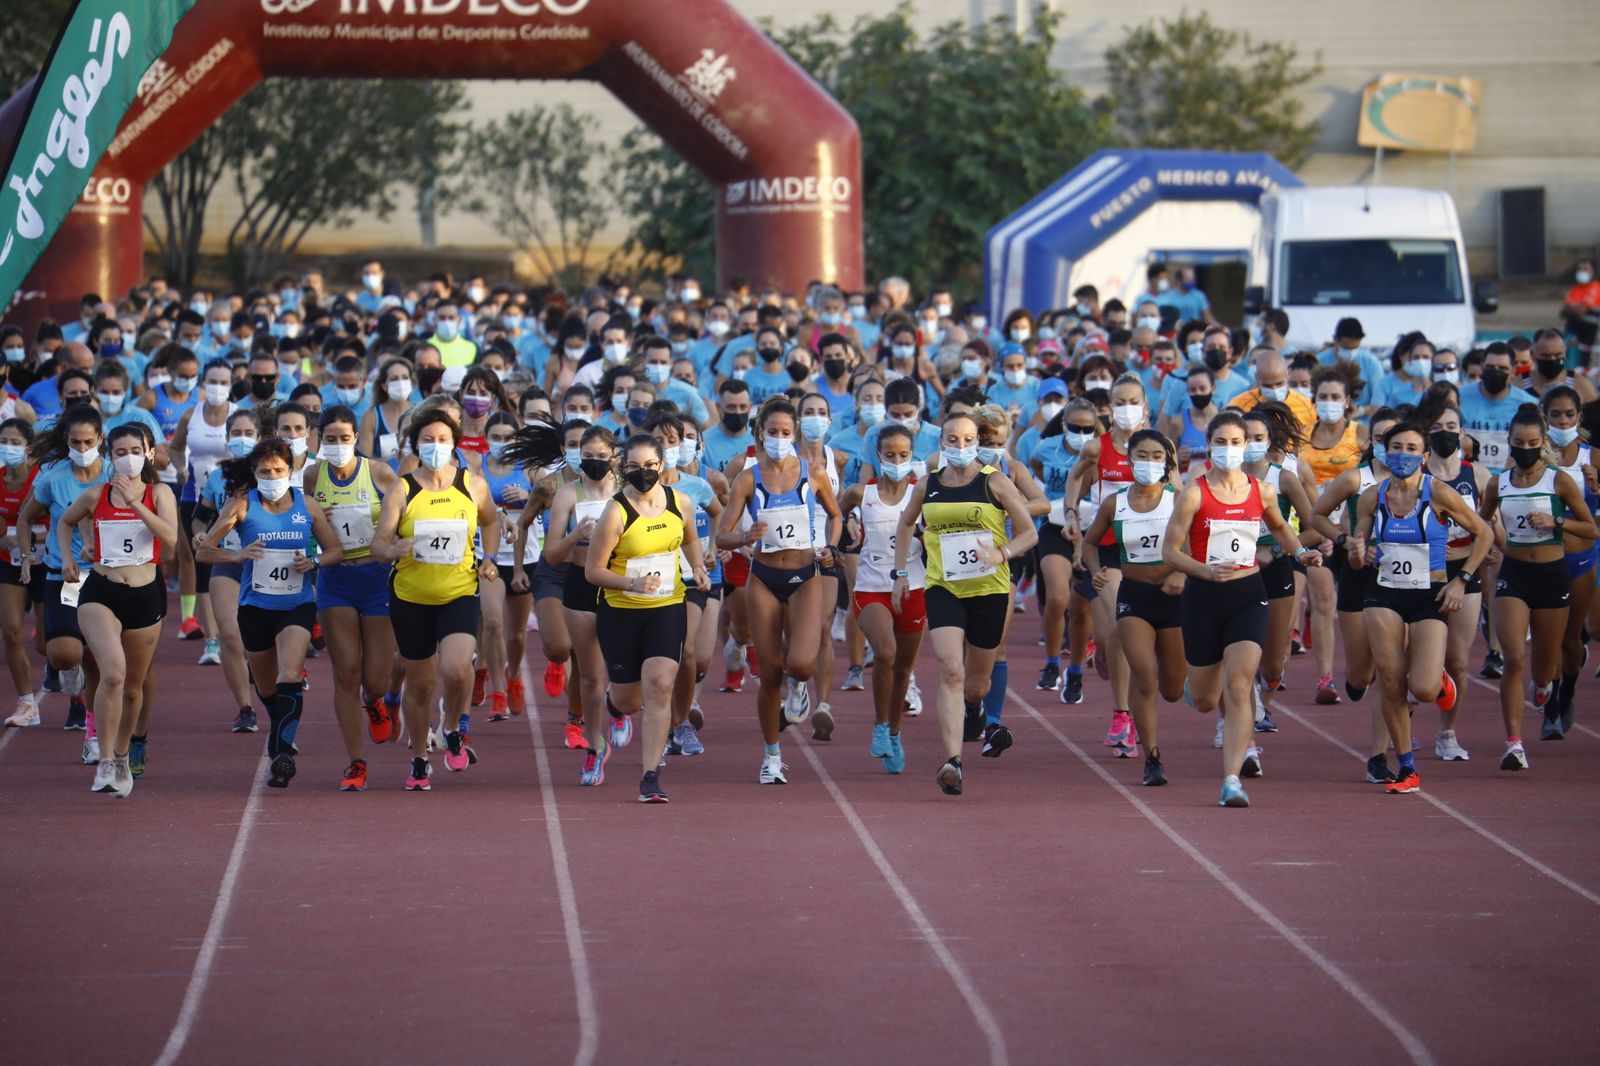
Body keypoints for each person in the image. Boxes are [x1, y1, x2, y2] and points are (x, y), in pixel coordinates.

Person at [1162, 410, 1323, 808]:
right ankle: (1199, 683)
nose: (1230, 449)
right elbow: (1170, 551)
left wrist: (1299, 552)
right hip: (1203, 597)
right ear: (1209, 446)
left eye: (1237, 442)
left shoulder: (1262, 491)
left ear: (1248, 445)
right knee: (1205, 699)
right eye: (1222, 442)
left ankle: (1232, 778)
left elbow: (1280, 526)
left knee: (1239, 684)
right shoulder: (1194, 493)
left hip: (1249, 594)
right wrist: (1204, 570)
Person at [891, 411, 1037, 795]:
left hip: (989, 590)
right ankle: (953, 761)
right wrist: (901, 573)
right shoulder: (928, 484)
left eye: (968, 440)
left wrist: (1002, 554)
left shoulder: (996, 481)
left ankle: (975, 708)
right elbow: (905, 523)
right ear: (941, 443)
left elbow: (1029, 533)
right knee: (951, 670)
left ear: (977, 443)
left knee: (975, 685)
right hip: (944, 587)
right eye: (952, 440)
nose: (960, 446)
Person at [1347, 421, 1491, 793]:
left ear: (1424, 456)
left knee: (1424, 689)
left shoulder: (1438, 492)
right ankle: (1407, 768)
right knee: (1390, 681)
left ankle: (1436, 678)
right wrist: (1358, 552)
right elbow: (1357, 558)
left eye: (1412, 449)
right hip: (1384, 594)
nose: (1403, 455)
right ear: (1384, 451)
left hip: (1430, 594)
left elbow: (1484, 533)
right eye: (1396, 447)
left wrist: (1462, 579)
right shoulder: (1372, 497)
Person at [199, 436, 344, 788]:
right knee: (266, 687)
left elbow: (335, 550)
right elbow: (204, 551)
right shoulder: (241, 505)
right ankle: (280, 728)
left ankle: (281, 754)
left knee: (289, 675)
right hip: (255, 607)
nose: (272, 477)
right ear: (254, 472)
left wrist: (313, 561)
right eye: (264, 471)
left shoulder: (308, 506)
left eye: (279, 470)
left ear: (290, 470)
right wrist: (238, 555)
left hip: (297, 604)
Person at [371, 406, 502, 790]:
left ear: (454, 443)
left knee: (457, 669)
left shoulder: (472, 485)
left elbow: (490, 520)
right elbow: (378, 544)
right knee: (422, 684)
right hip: (411, 598)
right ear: (416, 445)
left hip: (459, 591)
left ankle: (452, 726)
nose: (435, 445)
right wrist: (393, 549)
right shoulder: (402, 489)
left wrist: (490, 558)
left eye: (443, 439)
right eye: (427, 440)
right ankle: (418, 759)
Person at [715, 396, 843, 785]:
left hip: (805, 575)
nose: (780, 438)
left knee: (801, 664)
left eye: (786, 432)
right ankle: (772, 755)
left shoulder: (814, 473)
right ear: (760, 433)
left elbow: (836, 515)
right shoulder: (747, 479)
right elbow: (722, 534)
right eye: (773, 432)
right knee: (770, 673)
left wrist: (830, 547)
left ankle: (800, 688)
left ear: (795, 433)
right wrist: (744, 537)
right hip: (764, 579)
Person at [583, 433, 713, 803]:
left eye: (650, 465)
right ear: (623, 468)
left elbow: (690, 539)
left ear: (661, 465)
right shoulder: (615, 512)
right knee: (629, 701)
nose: (644, 472)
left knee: (659, 684)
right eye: (634, 467)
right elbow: (593, 571)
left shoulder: (680, 502)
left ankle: (650, 775)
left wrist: (698, 566)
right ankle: (614, 705)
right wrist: (632, 583)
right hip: (621, 612)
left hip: (667, 607)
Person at [54, 424, 178, 796]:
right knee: (113, 673)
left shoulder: (160, 493)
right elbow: (65, 521)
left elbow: (170, 538)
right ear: (110, 456)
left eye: (135, 451)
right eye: (120, 452)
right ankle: (105, 761)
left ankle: (122, 753)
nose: (128, 459)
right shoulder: (96, 495)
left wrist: (135, 503)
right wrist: (68, 557)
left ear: (149, 454)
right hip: (101, 592)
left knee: (133, 689)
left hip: (144, 595)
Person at [1478, 403, 1595, 770]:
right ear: (1509, 442)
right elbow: (1482, 523)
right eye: (1518, 443)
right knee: (1514, 658)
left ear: (1543, 442)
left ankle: (1544, 687)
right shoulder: (1498, 483)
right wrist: (1487, 547)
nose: (1525, 450)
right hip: (1514, 574)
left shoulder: (1558, 481)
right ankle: (1514, 745)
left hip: (1552, 575)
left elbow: (1591, 529)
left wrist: (1556, 521)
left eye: (1532, 443)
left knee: (1544, 670)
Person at [1082, 429, 1185, 786]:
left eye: (1157, 456)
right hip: (1134, 595)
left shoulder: (1178, 499)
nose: (1149, 463)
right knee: (1144, 678)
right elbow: (1090, 542)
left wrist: (1181, 573)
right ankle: (1152, 758)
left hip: (1172, 598)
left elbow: (1196, 543)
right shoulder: (1115, 503)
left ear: (1167, 462)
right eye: (1142, 455)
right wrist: (1096, 571)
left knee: (1173, 689)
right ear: (1129, 459)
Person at [306, 405, 400, 790]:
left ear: (356, 439)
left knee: (374, 679)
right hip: (336, 579)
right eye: (330, 439)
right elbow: (299, 521)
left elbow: (404, 513)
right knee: (345, 673)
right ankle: (356, 763)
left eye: (345, 438)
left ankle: (376, 701)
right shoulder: (312, 476)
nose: (338, 445)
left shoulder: (379, 473)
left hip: (376, 578)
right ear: (320, 440)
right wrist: (315, 522)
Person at [1062, 374, 1148, 751]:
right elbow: (1074, 477)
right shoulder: (1098, 448)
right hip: (1108, 549)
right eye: (1120, 403)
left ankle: (1134, 706)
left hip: (1147, 552)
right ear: (1110, 408)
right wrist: (1071, 513)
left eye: (1133, 402)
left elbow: (1176, 490)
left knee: (1134, 635)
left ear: (1145, 406)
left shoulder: (1157, 447)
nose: (1127, 409)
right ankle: (1122, 713)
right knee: (1115, 630)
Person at [18, 405, 109, 754]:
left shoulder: (115, 473)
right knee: (63, 655)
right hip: (63, 574)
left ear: (100, 439)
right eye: (75, 442)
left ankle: (93, 734)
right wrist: (27, 557)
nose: (82, 448)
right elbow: (26, 518)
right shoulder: (53, 478)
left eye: (88, 442)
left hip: (106, 575)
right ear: (67, 441)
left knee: (98, 659)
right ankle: (72, 675)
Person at [533, 423, 621, 785]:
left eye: (602, 456)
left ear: (614, 456)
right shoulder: (568, 494)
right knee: (591, 675)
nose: (595, 461)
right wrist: (576, 534)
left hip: (619, 586)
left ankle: (621, 708)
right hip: (580, 585)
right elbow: (552, 555)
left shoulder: (627, 491)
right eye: (588, 456)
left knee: (625, 674)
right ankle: (594, 748)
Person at [837, 424, 925, 773]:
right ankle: (879, 725)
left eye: (904, 455)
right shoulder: (861, 492)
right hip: (871, 588)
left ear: (912, 455)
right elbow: (836, 514)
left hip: (913, 588)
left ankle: (894, 732)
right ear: (878, 456)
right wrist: (845, 527)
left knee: (903, 668)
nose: (897, 461)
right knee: (885, 652)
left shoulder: (922, 493)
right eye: (890, 455)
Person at [643, 411, 722, 758]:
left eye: (672, 440)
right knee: (656, 658)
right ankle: (658, 724)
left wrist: (713, 546)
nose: (666, 447)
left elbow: (718, 512)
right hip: (649, 583)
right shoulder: (634, 489)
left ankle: (682, 723)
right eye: (658, 441)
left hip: (690, 579)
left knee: (687, 652)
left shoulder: (696, 486)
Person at [1240, 402, 1319, 736]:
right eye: (1244, 437)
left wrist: (1276, 548)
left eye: (1258, 437)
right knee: (1240, 648)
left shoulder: (1283, 478)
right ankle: (1238, 716)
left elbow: (1314, 527)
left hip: (1276, 569)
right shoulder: (1219, 479)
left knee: (1272, 662)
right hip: (1235, 571)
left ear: (1269, 441)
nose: (1250, 444)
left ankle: (1264, 701)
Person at [511, 418, 589, 748]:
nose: (579, 451)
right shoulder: (548, 486)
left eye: (584, 445)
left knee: (584, 654)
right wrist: (518, 569)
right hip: (553, 571)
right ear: (562, 448)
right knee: (560, 647)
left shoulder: (609, 485)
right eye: (572, 445)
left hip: (589, 573)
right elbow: (523, 523)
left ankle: (575, 721)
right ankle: (556, 661)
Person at [1422, 401, 1491, 761]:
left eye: (1451, 427)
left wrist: (1490, 547)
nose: (1444, 433)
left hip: (1465, 573)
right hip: (1423, 573)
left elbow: (1490, 526)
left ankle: (1447, 733)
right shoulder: (1416, 475)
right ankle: (1403, 717)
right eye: (1437, 427)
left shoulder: (1477, 474)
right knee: (1416, 660)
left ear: (1462, 433)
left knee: (1458, 662)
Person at [190, 409, 263, 733]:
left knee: (263, 642)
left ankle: (272, 691)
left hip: (267, 564)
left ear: (259, 438)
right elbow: (200, 516)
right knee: (231, 636)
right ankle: (245, 708)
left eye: (249, 434)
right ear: (227, 437)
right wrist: (199, 534)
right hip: (228, 562)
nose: (242, 439)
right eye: (236, 433)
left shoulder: (272, 473)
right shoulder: (217, 476)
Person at [1298, 364, 1367, 704]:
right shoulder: (1301, 437)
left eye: (1335, 397)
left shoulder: (1361, 434)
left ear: (1347, 401)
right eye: (1322, 397)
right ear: (1314, 401)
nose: (1329, 402)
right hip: (1317, 528)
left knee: (1356, 606)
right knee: (1325, 598)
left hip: (1352, 530)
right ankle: (1325, 678)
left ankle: (1361, 668)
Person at [1537, 384, 1598, 735]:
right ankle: (1550, 703)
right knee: (1549, 639)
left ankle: (1567, 691)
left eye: (1569, 415)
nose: (1562, 421)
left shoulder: (1593, 458)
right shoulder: (1534, 456)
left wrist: (1597, 489)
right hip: (1543, 560)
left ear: (1579, 417)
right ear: (1545, 418)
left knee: (1571, 639)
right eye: (1555, 415)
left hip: (1581, 560)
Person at [1031, 398, 1100, 703]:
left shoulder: (1100, 451)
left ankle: (1075, 671)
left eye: (1088, 428)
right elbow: (1036, 466)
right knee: (1058, 597)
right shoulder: (1047, 447)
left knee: (1081, 608)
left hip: (1091, 529)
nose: (1081, 433)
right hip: (1055, 526)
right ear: (1063, 425)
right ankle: (1050, 663)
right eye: (1075, 427)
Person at [0, 419, 44, 726]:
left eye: (15, 443)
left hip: (45, 562)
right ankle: (27, 703)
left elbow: (63, 525)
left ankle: (76, 688)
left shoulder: (43, 480)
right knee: (12, 632)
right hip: (9, 562)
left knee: (48, 645)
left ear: (29, 449)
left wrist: (25, 538)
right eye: (3, 441)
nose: (8, 448)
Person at [359, 357, 417, 464]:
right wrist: (394, 461)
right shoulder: (371, 417)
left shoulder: (420, 414)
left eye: (405, 378)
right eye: (394, 379)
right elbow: (364, 460)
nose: (400, 383)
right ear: (384, 386)